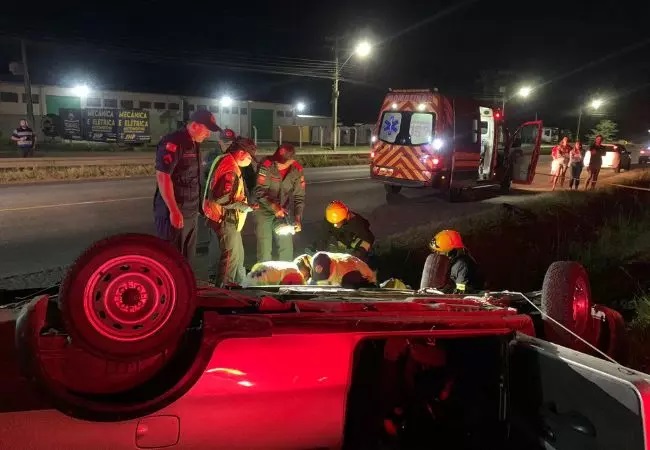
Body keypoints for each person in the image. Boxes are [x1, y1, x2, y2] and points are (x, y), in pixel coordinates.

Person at [153, 110, 220, 260]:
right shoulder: (174, 142)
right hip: (175, 210)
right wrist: (174, 210)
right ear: (195, 125)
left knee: (187, 258)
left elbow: (194, 179)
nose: (208, 134)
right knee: (172, 259)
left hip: (190, 211)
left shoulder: (194, 143)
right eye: (207, 129)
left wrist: (202, 205)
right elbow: (163, 176)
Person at [254, 143, 306, 263]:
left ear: (291, 160)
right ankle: (264, 277)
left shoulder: (297, 170)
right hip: (264, 210)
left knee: (286, 247)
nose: (277, 164)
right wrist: (273, 205)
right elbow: (259, 191)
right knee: (264, 249)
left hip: (283, 211)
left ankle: (287, 276)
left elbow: (299, 196)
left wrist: (298, 218)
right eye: (277, 160)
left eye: (281, 162)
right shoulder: (266, 165)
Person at [310, 200, 375, 263]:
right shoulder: (330, 218)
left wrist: (354, 260)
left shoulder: (358, 224)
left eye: (338, 223)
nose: (335, 225)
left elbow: (366, 243)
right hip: (343, 240)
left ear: (345, 218)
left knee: (361, 254)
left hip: (356, 241)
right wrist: (319, 255)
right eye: (333, 223)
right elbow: (323, 237)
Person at [428, 229, 483, 294]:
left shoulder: (461, 265)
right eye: (435, 251)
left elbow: (461, 292)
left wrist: (445, 292)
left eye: (439, 252)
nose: (437, 254)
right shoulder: (451, 263)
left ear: (451, 252)